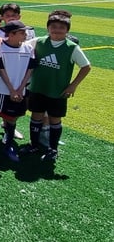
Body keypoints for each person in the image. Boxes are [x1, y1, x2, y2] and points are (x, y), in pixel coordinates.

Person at [27, 11, 91, 161]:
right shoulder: (39, 41)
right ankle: (34, 145)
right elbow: (19, 46)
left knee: (55, 120)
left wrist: (73, 86)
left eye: (61, 27)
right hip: (37, 88)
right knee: (36, 116)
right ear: (48, 28)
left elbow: (86, 67)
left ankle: (53, 149)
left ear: (67, 30)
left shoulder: (71, 47)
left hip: (58, 91)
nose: (57, 30)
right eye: (53, 26)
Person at [0, 20, 36, 162]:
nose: (26, 35)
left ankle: (8, 145)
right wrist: (12, 90)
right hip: (2, 91)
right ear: (11, 35)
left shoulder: (28, 48)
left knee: (12, 119)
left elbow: (30, 70)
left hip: (20, 91)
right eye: (22, 32)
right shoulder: (0, 48)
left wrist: (20, 88)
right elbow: (0, 69)